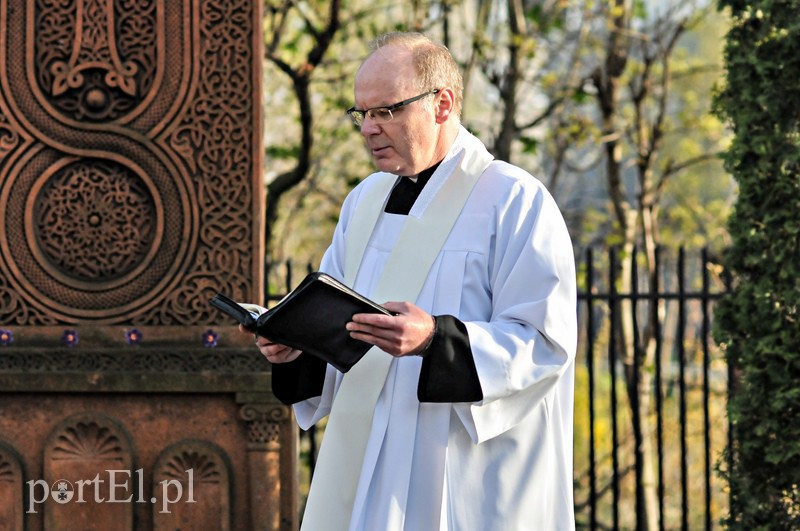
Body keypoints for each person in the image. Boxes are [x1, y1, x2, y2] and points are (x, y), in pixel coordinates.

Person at [250, 31, 577, 531]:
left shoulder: (514, 201)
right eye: (362, 114)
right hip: (367, 465)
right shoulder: (363, 202)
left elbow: (544, 343)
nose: (369, 130)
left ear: (442, 103)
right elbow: (337, 320)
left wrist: (434, 340)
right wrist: (297, 346)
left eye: (387, 111)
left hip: (458, 469)